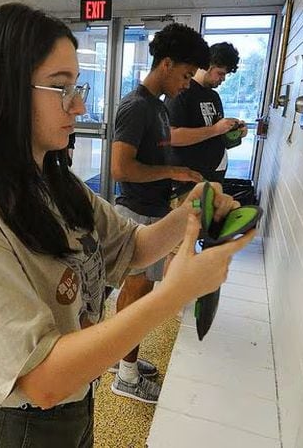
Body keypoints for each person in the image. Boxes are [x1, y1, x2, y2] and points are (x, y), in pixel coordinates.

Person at [0, 3, 255, 447]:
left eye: (77, 86)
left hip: (77, 400)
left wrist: (189, 215)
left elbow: (133, 248)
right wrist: (175, 294)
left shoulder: (53, 181)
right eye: (61, 87)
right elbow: (41, 380)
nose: (80, 104)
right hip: (17, 427)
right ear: (8, 92)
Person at [108, 22, 208, 403]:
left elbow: (154, 157)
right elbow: (121, 167)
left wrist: (176, 181)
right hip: (136, 213)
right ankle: (127, 377)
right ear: (165, 64)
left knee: (139, 291)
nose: (186, 83)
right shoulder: (136, 107)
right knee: (138, 294)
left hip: (151, 208)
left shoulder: (159, 108)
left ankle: (121, 358)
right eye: (184, 75)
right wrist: (172, 171)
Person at [166, 42, 247, 197]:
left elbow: (218, 135)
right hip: (187, 182)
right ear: (208, 66)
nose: (223, 79)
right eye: (220, 73)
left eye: (225, 75)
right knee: (189, 221)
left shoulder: (213, 96)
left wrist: (236, 131)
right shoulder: (182, 92)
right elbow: (171, 136)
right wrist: (215, 129)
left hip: (212, 176)